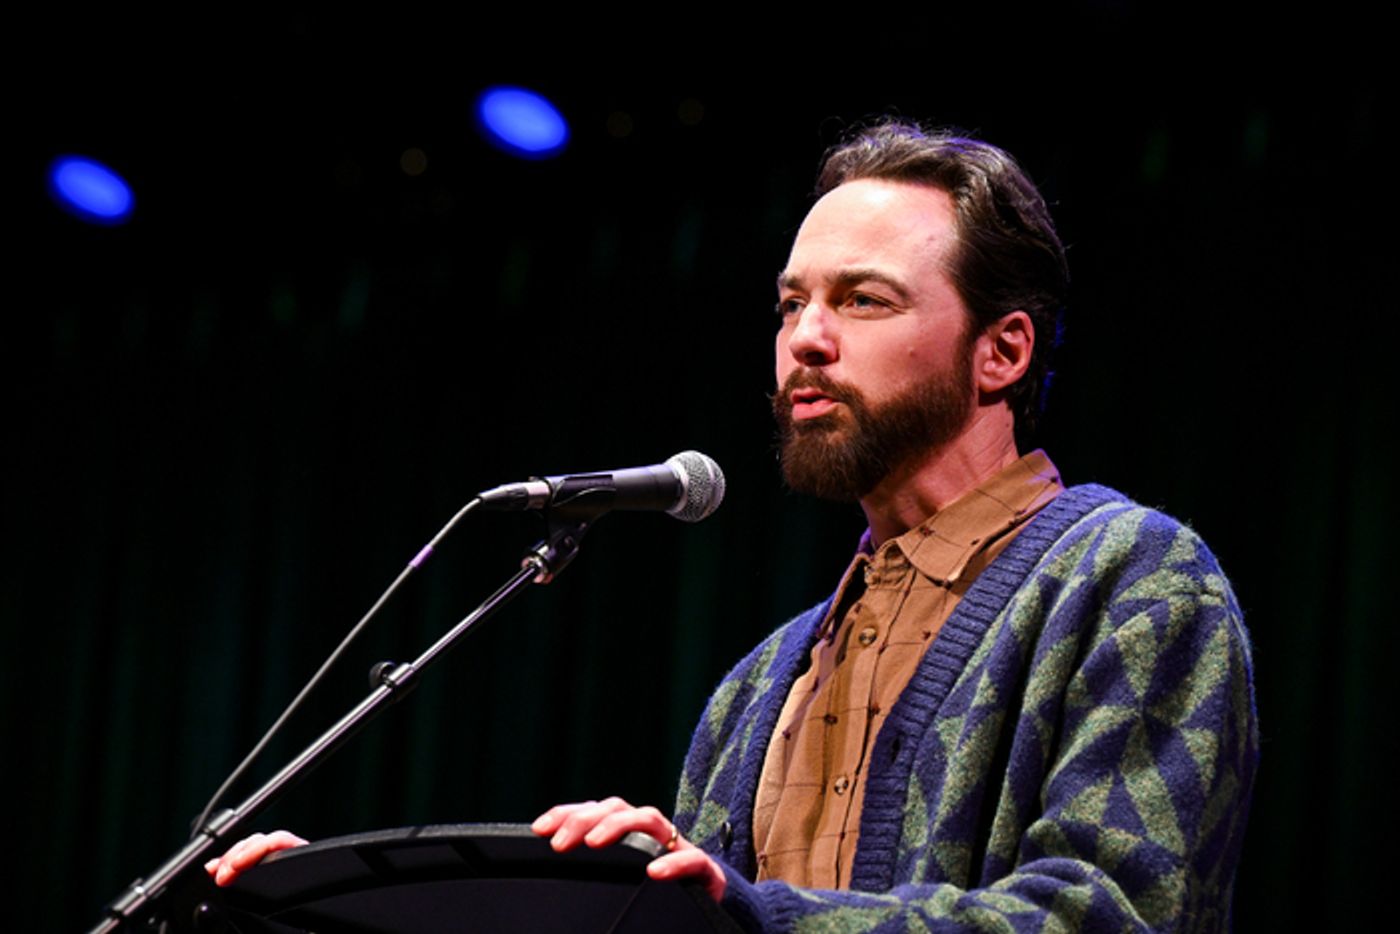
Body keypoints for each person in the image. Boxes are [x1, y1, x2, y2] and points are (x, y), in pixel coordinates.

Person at [209, 120, 1259, 932]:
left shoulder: (1131, 579)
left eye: (862, 301)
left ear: (1002, 351)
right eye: (788, 303)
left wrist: (748, 914)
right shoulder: (760, 686)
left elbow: (1110, 914)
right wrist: (356, 910)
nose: (803, 339)